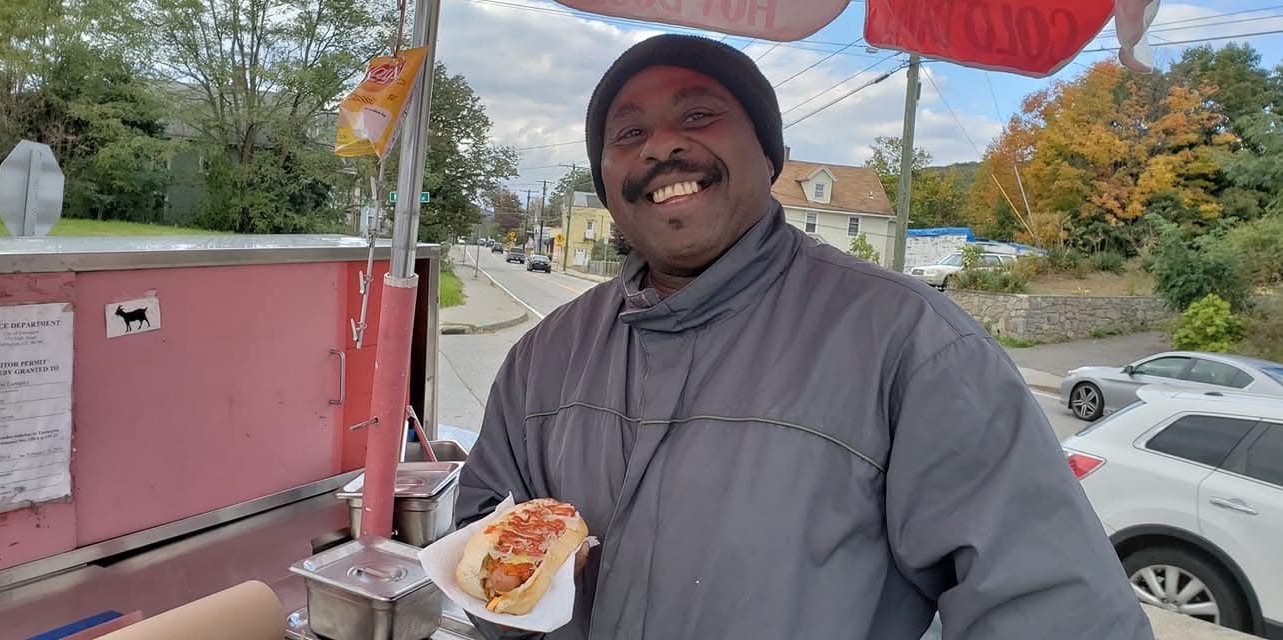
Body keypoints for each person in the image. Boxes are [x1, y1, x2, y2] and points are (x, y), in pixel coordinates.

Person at [456, 34, 1154, 640]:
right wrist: (519, 592)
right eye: (627, 133)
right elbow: (480, 540)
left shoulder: (916, 348)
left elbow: (1055, 613)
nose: (661, 145)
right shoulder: (544, 358)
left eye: (698, 115)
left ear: (770, 155)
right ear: (608, 186)